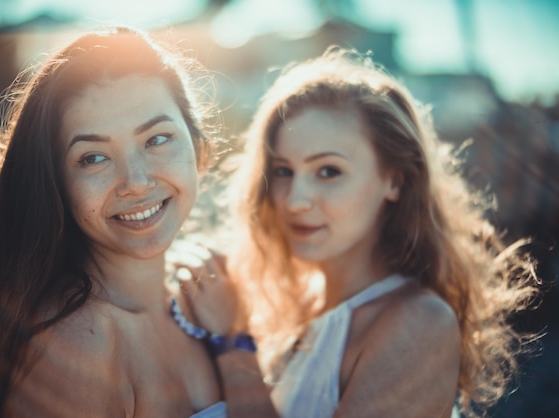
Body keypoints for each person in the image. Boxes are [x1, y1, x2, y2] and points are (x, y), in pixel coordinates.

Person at [177, 47, 539, 418]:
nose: (294, 201)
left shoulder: (418, 321)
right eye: (283, 171)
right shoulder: (286, 311)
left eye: (328, 171)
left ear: (394, 180)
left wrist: (236, 344)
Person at [0, 26, 275, 418]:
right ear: (57, 183)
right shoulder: (80, 342)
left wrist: (235, 341)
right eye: (93, 158)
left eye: (157, 139)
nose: (136, 181)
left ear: (198, 145)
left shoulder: (207, 294)